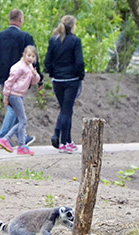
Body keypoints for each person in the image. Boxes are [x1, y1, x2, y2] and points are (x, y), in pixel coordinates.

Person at [0, 8, 42, 148]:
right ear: (21, 20)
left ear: (9, 19)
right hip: (20, 78)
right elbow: (35, 59)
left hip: (3, 77)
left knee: (16, 107)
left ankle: (22, 137)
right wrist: (40, 78)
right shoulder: (26, 37)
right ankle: (3, 137)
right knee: (14, 107)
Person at [44, 15, 84, 154]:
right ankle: (63, 143)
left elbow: (47, 61)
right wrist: (80, 76)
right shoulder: (75, 41)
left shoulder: (53, 41)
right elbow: (79, 62)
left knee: (65, 110)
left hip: (58, 80)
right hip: (71, 80)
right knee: (67, 111)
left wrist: (53, 73)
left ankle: (68, 140)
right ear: (72, 26)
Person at [0, 46, 40, 156]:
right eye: (28, 55)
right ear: (23, 55)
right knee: (23, 120)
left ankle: (22, 146)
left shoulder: (30, 67)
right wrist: (6, 96)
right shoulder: (19, 67)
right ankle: (6, 139)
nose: (30, 58)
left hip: (20, 95)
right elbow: (9, 82)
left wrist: (35, 75)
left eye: (33, 56)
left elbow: (33, 82)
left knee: (21, 120)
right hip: (14, 95)